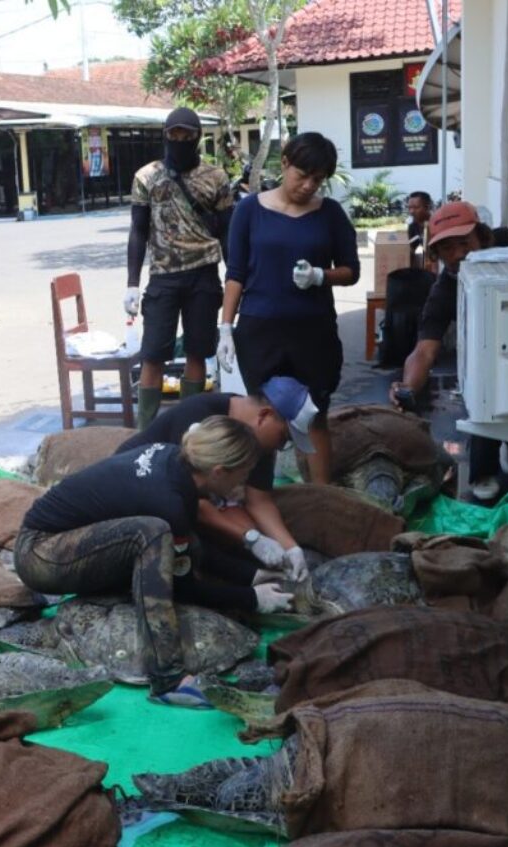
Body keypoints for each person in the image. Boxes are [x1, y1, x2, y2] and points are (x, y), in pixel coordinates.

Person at [14, 416, 293, 698]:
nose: (243, 484)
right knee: (154, 533)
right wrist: (253, 599)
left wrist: (252, 576)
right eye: (243, 475)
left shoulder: (173, 459)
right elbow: (182, 588)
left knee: (172, 535)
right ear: (219, 471)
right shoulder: (167, 499)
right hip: (41, 554)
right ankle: (168, 680)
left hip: (65, 543)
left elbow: (190, 543)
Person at [216, 132, 360, 485]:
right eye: (302, 175)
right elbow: (235, 273)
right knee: (260, 417)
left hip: (313, 332)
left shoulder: (330, 214)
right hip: (259, 330)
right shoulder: (249, 209)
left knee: (314, 415)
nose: (309, 185)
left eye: (318, 179)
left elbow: (351, 270)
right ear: (284, 164)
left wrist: (319, 276)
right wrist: (224, 328)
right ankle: (257, 492)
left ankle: (322, 498)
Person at [117, 376, 318, 582]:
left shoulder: (260, 440)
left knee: (252, 553)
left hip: (196, 496)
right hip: (144, 492)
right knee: (199, 553)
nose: (279, 446)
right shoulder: (198, 415)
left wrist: (290, 548)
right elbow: (194, 502)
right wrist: (251, 538)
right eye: (283, 438)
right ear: (264, 416)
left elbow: (259, 500)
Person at [388, 201, 507, 501]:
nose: (459, 254)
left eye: (465, 243)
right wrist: (407, 388)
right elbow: (424, 351)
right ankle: (483, 472)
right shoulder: (442, 293)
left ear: (482, 236)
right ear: (437, 255)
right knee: (483, 391)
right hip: (487, 351)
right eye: (447, 249)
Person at [124, 107, 233, 428]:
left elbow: (227, 231)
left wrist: (236, 276)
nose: (181, 141)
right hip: (163, 277)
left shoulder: (216, 178)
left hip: (203, 274)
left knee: (198, 353)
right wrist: (132, 282)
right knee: (153, 354)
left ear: (198, 137)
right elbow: (138, 229)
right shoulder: (146, 176)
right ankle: (146, 429)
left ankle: (191, 429)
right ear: (165, 135)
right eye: (175, 134)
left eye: (188, 135)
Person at [405, 190, 433, 259]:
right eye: (410, 208)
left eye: (416, 207)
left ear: (427, 207)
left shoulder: (437, 225)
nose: (411, 211)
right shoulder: (412, 227)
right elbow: (411, 250)